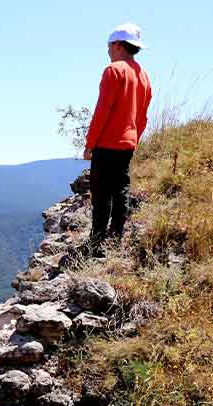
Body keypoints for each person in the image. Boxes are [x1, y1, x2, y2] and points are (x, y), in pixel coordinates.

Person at [83, 23, 152, 255]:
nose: (108, 51)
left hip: (107, 143)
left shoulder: (114, 71)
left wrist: (90, 144)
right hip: (127, 143)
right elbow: (142, 117)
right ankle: (116, 237)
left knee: (101, 194)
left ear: (119, 45)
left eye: (109, 45)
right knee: (121, 189)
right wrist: (134, 139)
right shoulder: (143, 77)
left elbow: (102, 111)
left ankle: (97, 245)